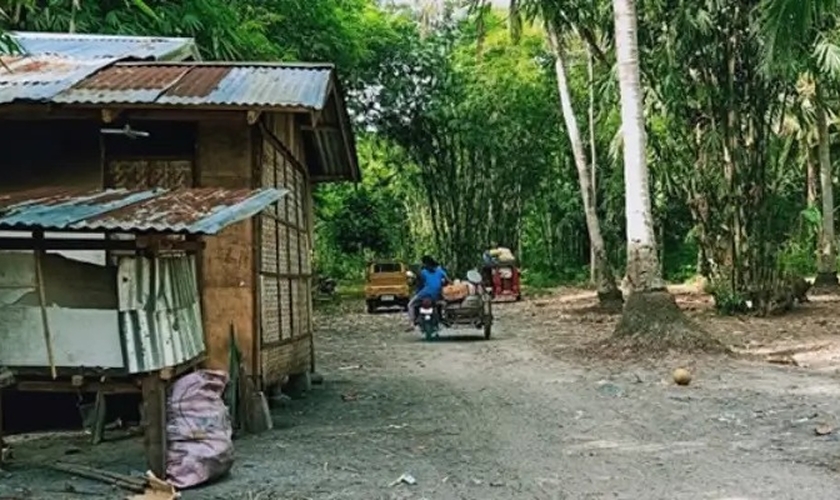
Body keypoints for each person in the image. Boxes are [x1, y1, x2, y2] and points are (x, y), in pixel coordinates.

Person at [406, 255, 448, 331]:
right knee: (441, 304)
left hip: (424, 294)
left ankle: (412, 323)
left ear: (425, 263)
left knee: (410, 304)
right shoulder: (440, 271)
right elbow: (448, 281)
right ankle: (441, 318)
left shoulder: (423, 272)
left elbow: (418, 282)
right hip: (436, 295)